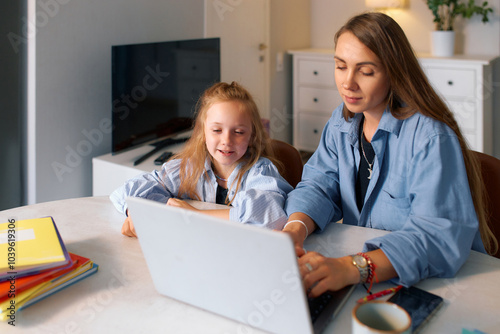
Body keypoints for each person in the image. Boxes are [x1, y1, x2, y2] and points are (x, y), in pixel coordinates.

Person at [282, 12, 498, 298]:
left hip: (439, 285)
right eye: (340, 66)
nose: (348, 83)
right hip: (372, 278)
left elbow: (435, 237)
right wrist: (294, 228)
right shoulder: (342, 121)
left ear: (394, 71)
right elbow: (320, 184)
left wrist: (352, 268)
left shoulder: (430, 137)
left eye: (365, 71)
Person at [111, 81, 293, 237]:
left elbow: (270, 216)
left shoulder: (261, 171)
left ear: (252, 135)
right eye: (217, 130)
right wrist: (135, 212)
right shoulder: (189, 168)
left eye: (238, 132)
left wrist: (194, 215)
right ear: (203, 132)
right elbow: (127, 191)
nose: (226, 141)